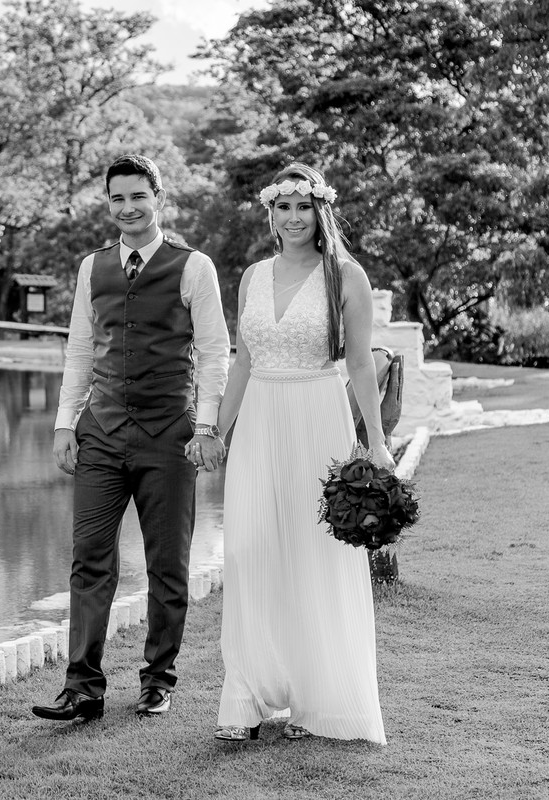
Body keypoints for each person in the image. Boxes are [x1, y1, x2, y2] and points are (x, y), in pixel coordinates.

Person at [31, 154, 231, 723]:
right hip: (101, 432)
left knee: (168, 563)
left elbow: (216, 352)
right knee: (89, 559)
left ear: (158, 197)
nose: (127, 208)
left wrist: (206, 424)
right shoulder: (92, 268)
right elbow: (77, 349)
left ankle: (157, 680)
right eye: (117, 199)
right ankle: (83, 688)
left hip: (169, 434)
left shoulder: (194, 267)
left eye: (137, 197)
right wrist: (64, 425)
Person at [212, 163, 389, 743]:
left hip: (318, 415)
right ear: (270, 214)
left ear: (321, 212)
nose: (293, 218)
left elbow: (360, 363)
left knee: (316, 555)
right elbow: (242, 360)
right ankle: (247, 696)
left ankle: (319, 702)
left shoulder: (345, 275)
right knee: (249, 551)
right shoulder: (252, 275)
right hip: (260, 419)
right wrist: (215, 429)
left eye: (303, 206)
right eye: (283, 207)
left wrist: (378, 444)